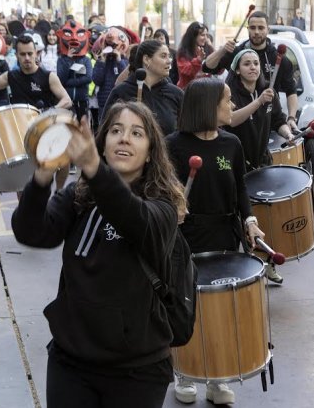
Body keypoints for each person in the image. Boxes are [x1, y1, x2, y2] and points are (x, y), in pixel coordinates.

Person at [11, 101, 186, 408]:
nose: (124, 139)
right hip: (72, 362)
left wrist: (94, 170)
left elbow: (132, 216)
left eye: (137, 133)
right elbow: (32, 232)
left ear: (150, 153)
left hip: (137, 370)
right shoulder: (79, 196)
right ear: (102, 144)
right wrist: (40, 178)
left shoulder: (163, 207)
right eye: (116, 130)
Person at [166, 78, 265, 405]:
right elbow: (161, 193)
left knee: (222, 306)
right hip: (186, 236)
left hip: (225, 235)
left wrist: (250, 222)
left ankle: (217, 377)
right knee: (188, 306)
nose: (232, 106)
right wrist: (173, 208)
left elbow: (240, 190)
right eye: (226, 100)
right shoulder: (173, 146)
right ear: (208, 106)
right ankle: (186, 371)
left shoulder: (231, 144)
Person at [223, 49, 295, 284]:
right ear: (237, 69)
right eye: (246, 64)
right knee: (242, 216)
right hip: (237, 164)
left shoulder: (267, 93)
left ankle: (269, 262)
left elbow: (277, 121)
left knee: (266, 216)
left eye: (255, 63)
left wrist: (288, 133)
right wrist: (258, 102)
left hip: (262, 161)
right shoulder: (230, 93)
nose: (253, 67)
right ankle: (243, 266)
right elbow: (232, 119)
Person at [0, 35, 72, 189]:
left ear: (36, 53)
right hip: (21, 130)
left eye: (30, 53)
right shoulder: (12, 76)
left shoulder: (48, 76)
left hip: (45, 127)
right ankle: (24, 207)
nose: (27, 58)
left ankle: (60, 192)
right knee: (22, 172)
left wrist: (48, 112)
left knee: (64, 158)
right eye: (22, 54)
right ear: (16, 55)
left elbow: (67, 100)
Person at [202, 11, 300, 133]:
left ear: (268, 29)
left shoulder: (279, 59)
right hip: (236, 128)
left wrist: (291, 117)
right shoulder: (236, 52)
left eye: (261, 28)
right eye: (253, 28)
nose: (257, 32)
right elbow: (207, 67)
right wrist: (223, 50)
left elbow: (291, 91)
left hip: (266, 126)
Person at [104, 40, 183, 137]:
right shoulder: (122, 92)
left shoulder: (176, 94)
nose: (169, 60)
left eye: (169, 56)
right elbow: (105, 131)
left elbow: (184, 134)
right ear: (146, 59)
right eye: (163, 56)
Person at [175, 22, 214, 89]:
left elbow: (219, 70)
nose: (205, 38)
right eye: (202, 35)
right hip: (187, 91)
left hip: (206, 91)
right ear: (193, 36)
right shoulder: (183, 52)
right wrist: (198, 60)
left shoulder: (209, 49)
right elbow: (186, 71)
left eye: (206, 35)